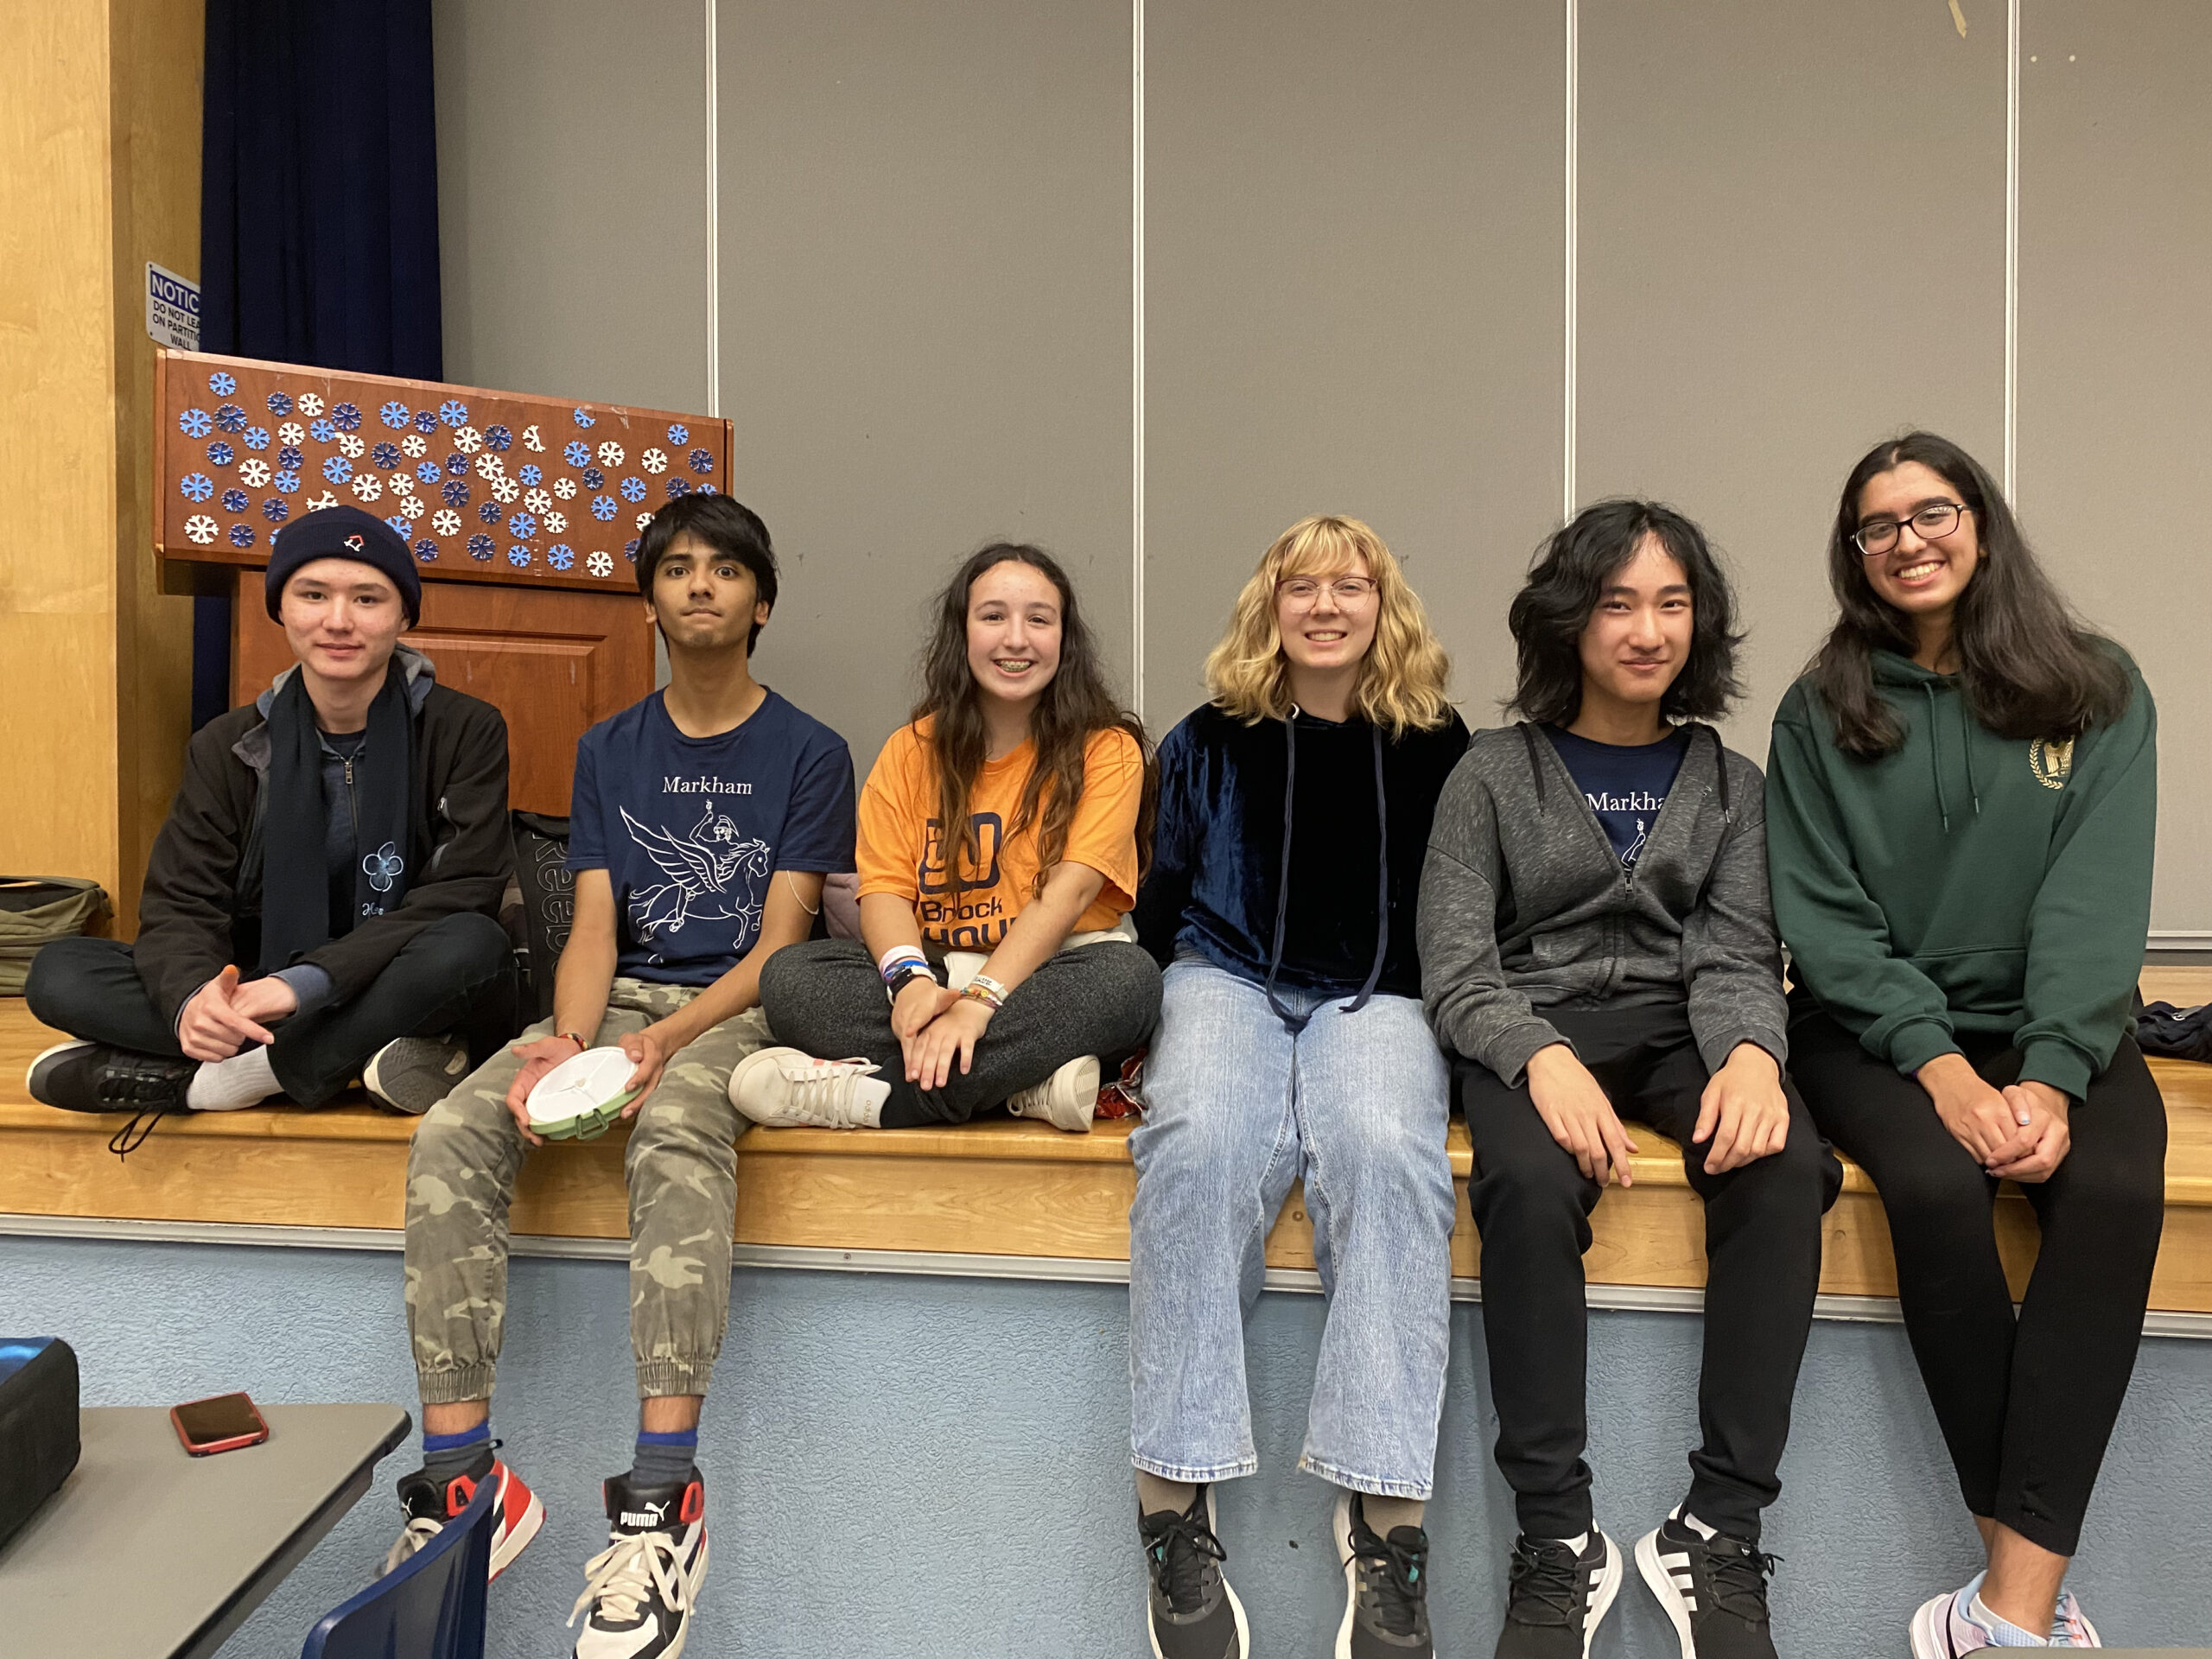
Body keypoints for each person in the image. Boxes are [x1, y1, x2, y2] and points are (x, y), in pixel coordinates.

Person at [390, 494, 856, 1659]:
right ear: (648, 600)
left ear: (762, 601)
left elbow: (780, 945)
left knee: (677, 1131)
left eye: (726, 569)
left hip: (740, 1011)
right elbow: (592, 925)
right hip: (617, 1003)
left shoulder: (810, 751)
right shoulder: (610, 747)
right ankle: (462, 1477)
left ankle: (662, 1499)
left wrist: (660, 1046)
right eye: (678, 568)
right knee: (453, 1129)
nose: (701, 585)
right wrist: (568, 1041)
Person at [1420, 500, 1839, 1659]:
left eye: (1671, 603)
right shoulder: (1489, 774)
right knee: (1525, 1181)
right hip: (1529, 1022)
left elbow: (1740, 955)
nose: (1647, 630)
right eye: (1617, 603)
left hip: (1680, 1025)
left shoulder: (1731, 782)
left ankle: (1719, 1527)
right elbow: (1455, 967)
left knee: (1785, 1166)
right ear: (1570, 620)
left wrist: (1753, 1055)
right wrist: (1538, 1057)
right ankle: (1558, 1537)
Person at [1765, 433, 2163, 1655]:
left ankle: (2001, 1616)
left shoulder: (2096, 686)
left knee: (2114, 1192)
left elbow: (2093, 902)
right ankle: (2020, 1611)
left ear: (1980, 523)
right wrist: (1940, 1069)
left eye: (1931, 512)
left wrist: (2048, 1077)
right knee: (1937, 1188)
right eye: (1877, 526)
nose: (1908, 542)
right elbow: (1825, 922)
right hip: (1871, 1032)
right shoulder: (1818, 711)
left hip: (2056, 1024)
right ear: (1854, 554)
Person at [1128, 515, 1468, 1659]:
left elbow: (1458, 906)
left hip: (1379, 993)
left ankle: (1386, 1520)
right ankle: (1172, 1497)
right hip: (1223, 976)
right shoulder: (1204, 740)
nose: (1325, 606)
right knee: (1196, 1144)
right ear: (1268, 607)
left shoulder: (1438, 744)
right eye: (1301, 587)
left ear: (1384, 604)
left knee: (1388, 1155)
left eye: (1350, 586)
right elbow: (1161, 891)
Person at [25, 505, 515, 1145]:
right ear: (281, 608)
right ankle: (356, 1055)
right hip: (257, 980)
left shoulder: (466, 729)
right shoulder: (227, 744)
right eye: (313, 595)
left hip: (391, 971)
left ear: (403, 616)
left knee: (472, 947)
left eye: (367, 598)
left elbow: (463, 889)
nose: (338, 620)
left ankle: (230, 1079)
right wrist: (194, 1001)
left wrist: (302, 986)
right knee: (60, 971)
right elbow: (180, 901)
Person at [741, 542, 1161, 1133]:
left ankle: (876, 1101)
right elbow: (884, 892)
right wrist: (909, 984)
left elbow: (1069, 894)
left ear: (1065, 640)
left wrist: (981, 1004)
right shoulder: (909, 750)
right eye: (993, 616)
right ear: (961, 632)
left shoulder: (1108, 750)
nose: (1016, 639)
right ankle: (1025, 1083)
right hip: (938, 972)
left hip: (1056, 973)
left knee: (1130, 983)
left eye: (1039, 620)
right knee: (791, 980)